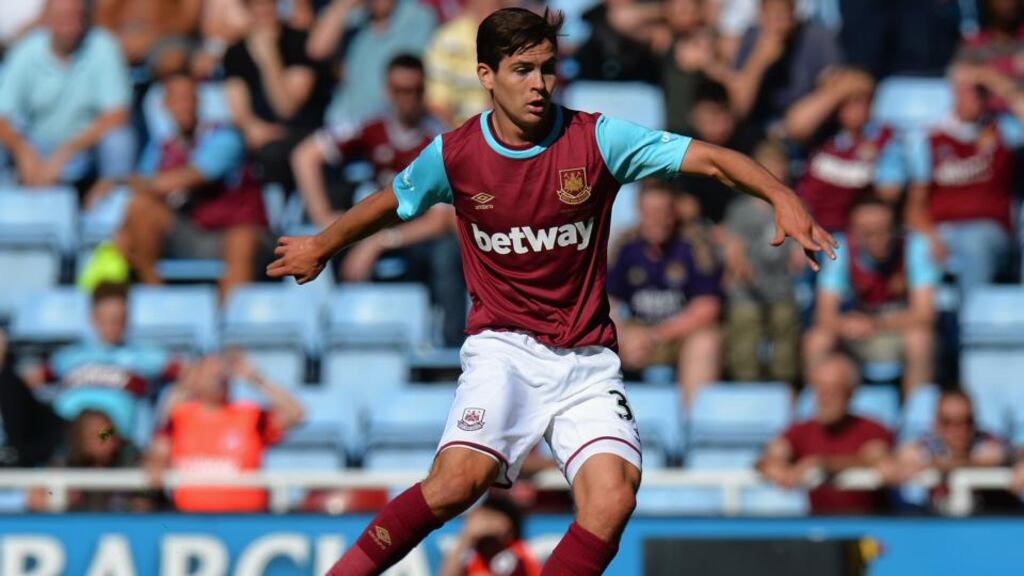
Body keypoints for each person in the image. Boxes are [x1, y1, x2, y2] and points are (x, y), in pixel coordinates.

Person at [267, 9, 835, 574]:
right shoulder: (456, 154)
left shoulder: (598, 139)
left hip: (585, 359)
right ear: (486, 76)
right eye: (522, 70)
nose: (539, 84)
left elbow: (708, 158)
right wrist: (322, 244)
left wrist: (781, 195)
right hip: (504, 349)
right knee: (456, 483)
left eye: (547, 68)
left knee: (612, 499)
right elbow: (392, 201)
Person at [81, 71, 267, 300]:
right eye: (177, 99)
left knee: (242, 240)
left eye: (189, 98)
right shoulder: (161, 148)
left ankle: (231, 317)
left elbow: (189, 177)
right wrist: (125, 228)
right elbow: (145, 188)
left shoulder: (225, 137)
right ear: (164, 105)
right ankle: (158, 299)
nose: (184, 106)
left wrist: (117, 181)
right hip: (190, 232)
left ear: (198, 102)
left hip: (234, 229)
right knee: (139, 209)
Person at [1, 283, 181, 466]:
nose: (113, 326)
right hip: (65, 433)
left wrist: (165, 422)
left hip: (113, 434)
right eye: (107, 319)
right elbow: (25, 384)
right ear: (93, 318)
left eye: (119, 319)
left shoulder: (147, 356)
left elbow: (190, 376)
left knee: (98, 435)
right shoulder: (69, 356)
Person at [905, 61, 1024, 292]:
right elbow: (915, 206)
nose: (972, 98)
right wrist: (930, 237)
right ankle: (921, 312)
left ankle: (973, 312)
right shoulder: (931, 139)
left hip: (987, 229)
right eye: (966, 90)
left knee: (973, 244)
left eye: (979, 92)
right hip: (941, 229)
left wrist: (995, 82)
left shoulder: (1002, 130)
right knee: (918, 248)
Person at [805, 197, 939, 395]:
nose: (876, 239)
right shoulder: (840, 248)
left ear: (895, 228)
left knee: (920, 339)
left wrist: (875, 323)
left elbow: (925, 314)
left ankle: (916, 407)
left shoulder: (914, 246)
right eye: (867, 232)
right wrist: (846, 325)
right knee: (817, 340)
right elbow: (824, 314)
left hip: (895, 330)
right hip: (856, 333)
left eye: (883, 230)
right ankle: (818, 406)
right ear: (853, 232)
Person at [146, 351, 305, 513]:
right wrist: (182, 386)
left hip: (247, 517)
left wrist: (256, 379)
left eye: (221, 372)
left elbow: (295, 414)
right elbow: (157, 453)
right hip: (191, 518)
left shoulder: (249, 415)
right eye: (209, 373)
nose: (217, 378)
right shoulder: (178, 418)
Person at [608, 180, 723, 400]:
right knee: (596, 342)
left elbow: (708, 307)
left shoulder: (695, 245)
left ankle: (691, 418)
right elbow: (607, 302)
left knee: (705, 344)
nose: (657, 220)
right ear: (639, 212)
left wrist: (656, 336)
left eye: (663, 212)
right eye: (650, 212)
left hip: (679, 335)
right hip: (635, 334)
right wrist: (622, 336)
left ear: (674, 213)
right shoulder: (624, 245)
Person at [0, 0, 134, 189]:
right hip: (36, 145)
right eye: (64, 17)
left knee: (119, 140)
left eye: (78, 16)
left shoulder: (103, 46)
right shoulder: (26, 51)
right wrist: (23, 152)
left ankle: (115, 196)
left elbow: (118, 114)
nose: (72, 25)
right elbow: (2, 115)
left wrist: (66, 153)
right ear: (47, 20)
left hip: (85, 148)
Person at [758, 353, 893, 515]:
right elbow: (773, 454)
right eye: (820, 389)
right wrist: (775, 466)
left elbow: (877, 459)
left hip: (869, 526)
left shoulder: (872, 430)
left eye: (834, 390)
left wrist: (823, 464)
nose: (825, 397)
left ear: (850, 393)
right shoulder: (801, 430)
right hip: (819, 526)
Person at [223, 0, 333, 190]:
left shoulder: (299, 42)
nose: (264, 9)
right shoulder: (235, 53)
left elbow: (286, 108)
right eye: (257, 4)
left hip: (304, 131)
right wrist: (255, 129)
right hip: (264, 137)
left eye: (269, 3)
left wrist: (269, 57)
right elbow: (240, 113)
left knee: (276, 153)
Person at [721, 140, 802, 382]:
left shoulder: (796, 206)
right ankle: (746, 383)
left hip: (782, 288)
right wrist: (738, 265)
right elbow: (733, 247)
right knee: (745, 325)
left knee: (785, 325)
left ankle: (785, 383)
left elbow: (800, 243)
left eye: (779, 165)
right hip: (748, 288)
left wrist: (799, 252)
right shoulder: (741, 210)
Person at [785, 68, 905, 233]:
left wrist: (873, 163)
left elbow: (890, 193)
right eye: (848, 101)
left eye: (861, 100)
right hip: (806, 225)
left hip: (851, 234)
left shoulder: (883, 138)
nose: (856, 108)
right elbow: (795, 127)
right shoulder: (820, 133)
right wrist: (837, 91)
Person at [308, 0, 438, 125]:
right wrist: (344, 4)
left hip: (394, 124)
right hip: (346, 122)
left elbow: (413, 76)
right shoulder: (355, 18)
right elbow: (317, 50)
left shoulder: (417, 17)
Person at [729, 0, 841, 135]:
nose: (777, 23)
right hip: (759, 130)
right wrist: (759, 61)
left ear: (793, 14)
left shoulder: (817, 38)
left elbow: (833, 85)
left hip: (807, 129)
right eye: (770, 14)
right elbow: (738, 107)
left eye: (781, 14)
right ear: (760, 15)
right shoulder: (751, 38)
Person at [889, 389, 1011, 513]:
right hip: (933, 521)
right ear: (936, 424)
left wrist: (933, 464)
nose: (959, 430)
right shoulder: (926, 445)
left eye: (967, 421)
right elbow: (904, 455)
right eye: (948, 422)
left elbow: (997, 455)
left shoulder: (988, 442)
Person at [424, 0, 502, 128]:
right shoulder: (447, 39)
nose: (487, 5)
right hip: (454, 130)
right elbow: (436, 103)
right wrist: (465, 135)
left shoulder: (516, 39)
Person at [439, 494, 541, 576]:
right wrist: (466, 537)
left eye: (489, 518)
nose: (480, 524)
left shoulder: (519, 553)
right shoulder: (473, 554)